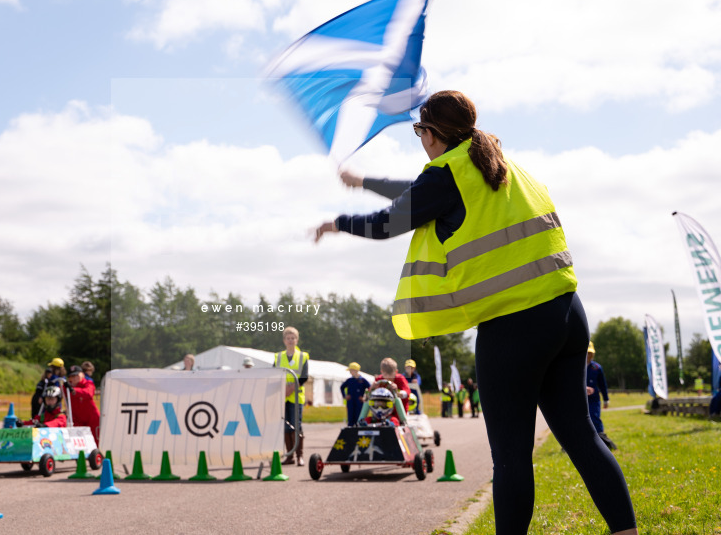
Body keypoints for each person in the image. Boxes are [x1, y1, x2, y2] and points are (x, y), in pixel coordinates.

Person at [312, 91, 637, 534]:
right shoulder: (500, 165)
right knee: (583, 438)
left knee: (511, 456)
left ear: (431, 133)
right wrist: (364, 181)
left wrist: (338, 223)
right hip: (566, 315)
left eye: (418, 131)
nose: (418, 140)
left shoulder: (447, 176)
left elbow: (392, 219)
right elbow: (420, 192)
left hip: (513, 327)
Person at [273, 326, 309, 466]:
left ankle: (300, 455)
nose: (290, 340)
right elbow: (274, 375)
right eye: (288, 338)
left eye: (293, 338)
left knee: (296, 426)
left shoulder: (303, 356)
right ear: (284, 340)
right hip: (283, 397)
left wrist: (291, 388)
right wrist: (283, 390)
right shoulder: (278, 356)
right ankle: (289, 456)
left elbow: (304, 377)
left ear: (297, 340)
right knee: (285, 427)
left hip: (296, 396)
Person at [587, 342, 617, 451]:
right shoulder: (576, 368)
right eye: (586, 353)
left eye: (590, 353)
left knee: (594, 418)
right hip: (579, 400)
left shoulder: (597, 368)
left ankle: (602, 440)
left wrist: (606, 399)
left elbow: (603, 385)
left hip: (594, 400)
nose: (588, 356)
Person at [66, 365, 100, 439]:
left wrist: (74, 390)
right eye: (71, 376)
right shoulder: (67, 388)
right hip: (77, 420)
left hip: (92, 419)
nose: (74, 378)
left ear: (82, 375)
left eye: (76, 375)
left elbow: (89, 393)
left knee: (96, 442)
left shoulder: (88, 383)